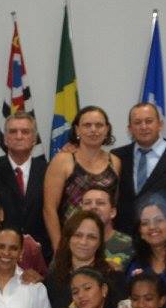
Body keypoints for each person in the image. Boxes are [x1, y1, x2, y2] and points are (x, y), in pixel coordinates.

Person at [40, 105, 120, 247]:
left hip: (106, 243)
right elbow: (49, 209)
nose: (93, 130)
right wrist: (59, 247)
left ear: (107, 129)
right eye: (87, 125)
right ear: (77, 129)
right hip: (71, 242)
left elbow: (113, 206)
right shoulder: (63, 161)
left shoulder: (115, 162)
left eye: (99, 125)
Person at [116, 103, 166, 235]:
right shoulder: (117, 157)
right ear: (130, 128)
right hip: (125, 238)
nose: (143, 127)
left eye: (149, 121)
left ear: (160, 124)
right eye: (137, 122)